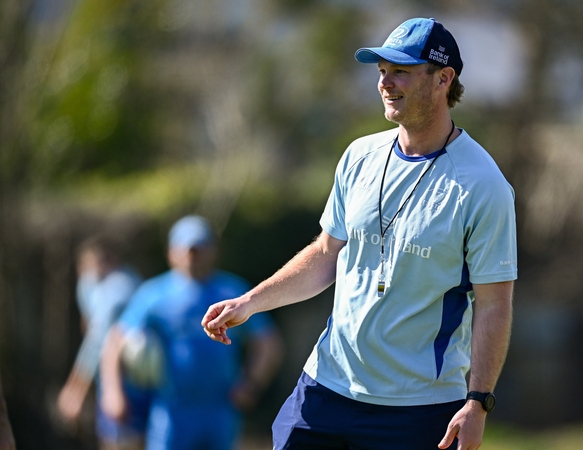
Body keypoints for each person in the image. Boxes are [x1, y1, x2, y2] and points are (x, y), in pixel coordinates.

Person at [201, 17, 517, 450]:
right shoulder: (359, 156)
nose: (386, 82)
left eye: (401, 71)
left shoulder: (483, 185)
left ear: (444, 79)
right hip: (326, 387)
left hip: (418, 408)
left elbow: (495, 304)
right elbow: (326, 254)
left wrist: (478, 401)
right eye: (381, 70)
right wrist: (251, 302)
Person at [101, 215, 283, 450]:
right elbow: (115, 341)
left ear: (213, 251)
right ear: (171, 252)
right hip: (172, 408)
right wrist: (113, 393)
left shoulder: (233, 291)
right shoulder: (153, 294)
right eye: (186, 249)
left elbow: (268, 341)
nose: (192, 256)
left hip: (220, 406)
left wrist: (251, 383)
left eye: (199, 249)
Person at [56, 236, 146, 450]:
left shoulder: (119, 287)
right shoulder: (93, 283)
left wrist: (74, 391)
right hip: (114, 378)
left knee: (123, 442)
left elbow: (97, 341)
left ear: (112, 261)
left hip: (131, 381)